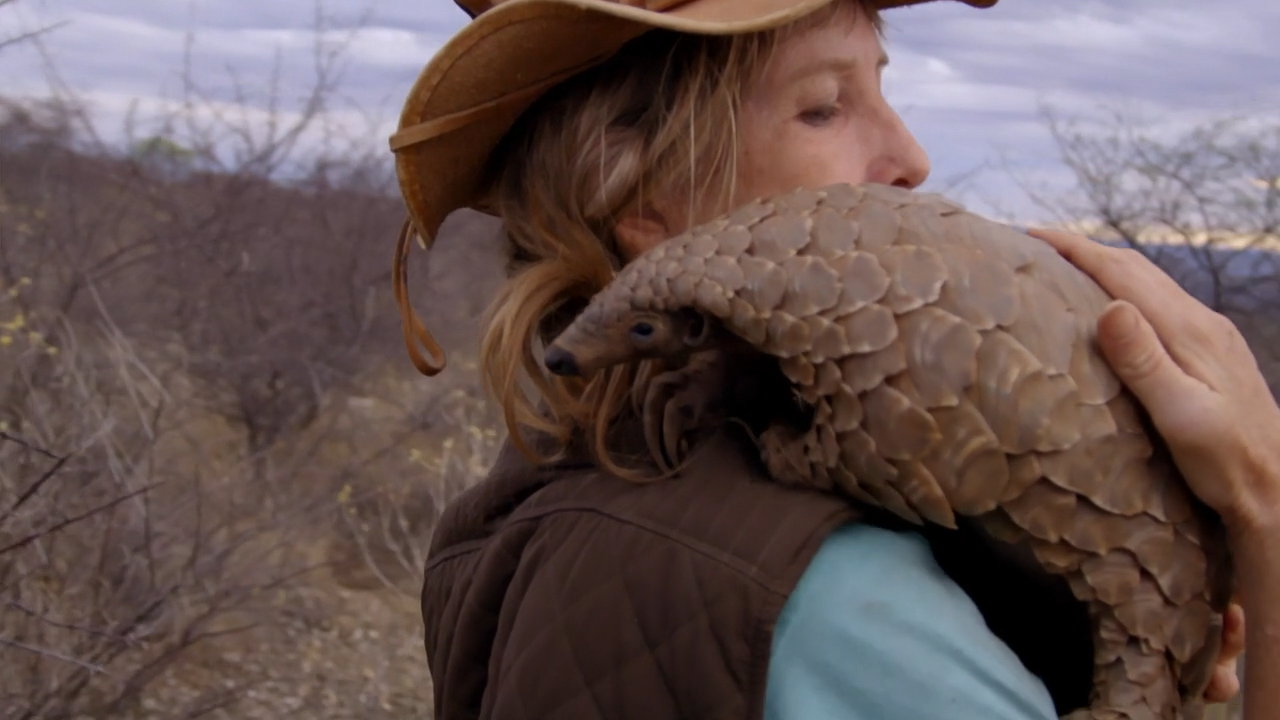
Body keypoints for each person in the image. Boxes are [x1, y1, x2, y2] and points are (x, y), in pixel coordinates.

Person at [387, 0, 1272, 717]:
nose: (912, 160)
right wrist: (1266, 513)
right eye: (823, 106)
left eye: (883, 90)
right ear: (640, 201)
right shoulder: (826, 601)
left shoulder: (532, 500)